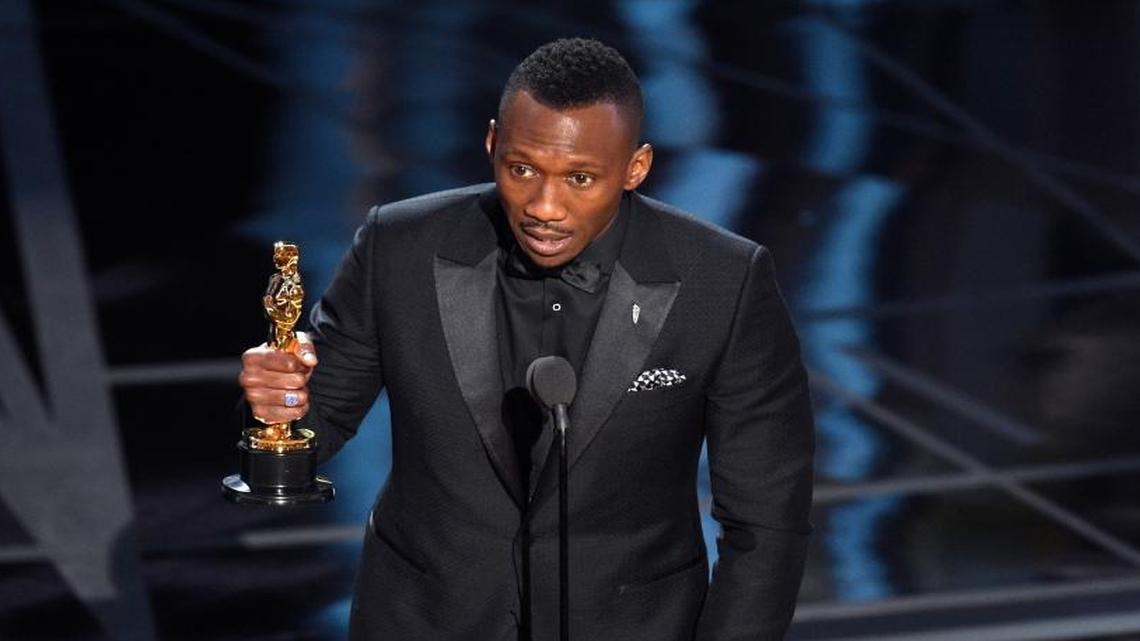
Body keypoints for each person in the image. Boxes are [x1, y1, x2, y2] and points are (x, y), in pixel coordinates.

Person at [239, 37, 814, 641]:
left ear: (636, 168)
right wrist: (275, 407)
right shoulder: (399, 247)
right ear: (492, 143)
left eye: (581, 178)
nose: (545, 206)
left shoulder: (721, 280)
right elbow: (313, 424)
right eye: (522, 170)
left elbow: (767, 519)